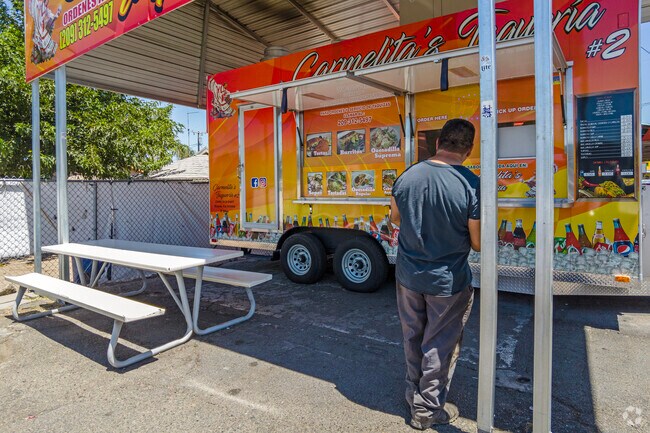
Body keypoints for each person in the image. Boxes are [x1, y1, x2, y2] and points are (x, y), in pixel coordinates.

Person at [390, 118, 480, 429]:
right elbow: (479, 242)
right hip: (447, 281)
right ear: (468, 149)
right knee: (439, 344)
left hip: (408, 276)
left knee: (413, 336)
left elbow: (394, 220)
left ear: (438, 142)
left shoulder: (406, 176)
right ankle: (426, 411)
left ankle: (411, 393)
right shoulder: (470, 183)